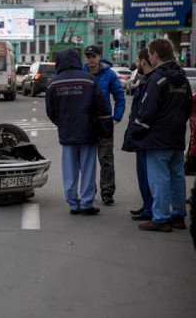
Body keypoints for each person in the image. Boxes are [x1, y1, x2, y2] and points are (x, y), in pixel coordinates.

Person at [128, 38, 192, 232]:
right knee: (177, 177)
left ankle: (161, 218)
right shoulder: (182, 78)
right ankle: (178, 216)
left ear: (155, 55)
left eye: (149, 53)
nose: (148, 56)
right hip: (177, 136)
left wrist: (136, 131)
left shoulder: (157, 78)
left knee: (159, 179)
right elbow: (189, 104)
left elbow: (147, 111)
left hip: (157, 138)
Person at [46, 48, 114, 216]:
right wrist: (105, 131)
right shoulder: (89, 79)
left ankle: (73, 204)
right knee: (88, 169)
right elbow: (101, 108)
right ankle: (86, 203)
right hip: (88, 132)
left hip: (67, 132)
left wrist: (61, 123)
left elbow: (51, 111)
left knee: (69, 170)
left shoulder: (54, 82)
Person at [82, 44, 126, 205]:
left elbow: (119, 97)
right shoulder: (81, 73)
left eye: (93, 56)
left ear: (100, 56)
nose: (91, 60)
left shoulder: (109, 75)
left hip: (104, 124)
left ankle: (107, 193)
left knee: (106, 160)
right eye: (88, 56)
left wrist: (116, 118)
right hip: (86, 124)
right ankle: (89, 191)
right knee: (87, 161)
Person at [122, 49, 154, 220]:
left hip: (145, 136)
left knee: (149, 175)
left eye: (137, 59)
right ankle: (147, 205)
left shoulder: (152, 80)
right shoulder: (146, 80)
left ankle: (151, 209)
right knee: (143, 174)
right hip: (142, 136)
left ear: (144, 60)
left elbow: (146, 111)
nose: (135, 63)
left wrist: (136, 130)